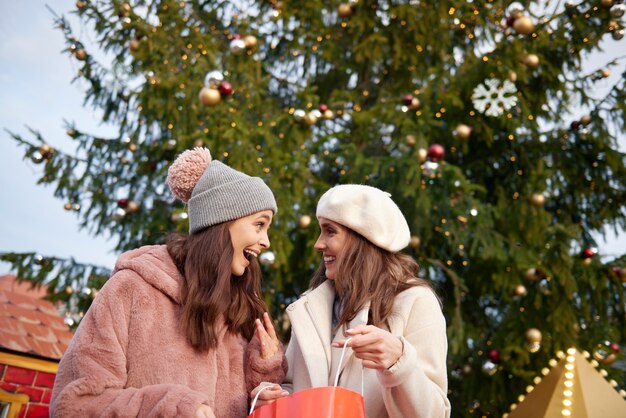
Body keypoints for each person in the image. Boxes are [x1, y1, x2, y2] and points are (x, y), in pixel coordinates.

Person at [51, 147, 287, 418]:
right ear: (222, 222)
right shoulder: (131, 290)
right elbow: (76, 404)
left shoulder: (239, 313)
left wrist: (263, 381)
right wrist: (175, 409)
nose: (266, 241)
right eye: (259, 225)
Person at [251, 184, 450, 418]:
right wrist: (272, 398)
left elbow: (435, 413)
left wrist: (399, 360)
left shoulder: (415, 302)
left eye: (330, 231)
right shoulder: (310, 308)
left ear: (363, 237)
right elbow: (294, 388)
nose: (318, 244)